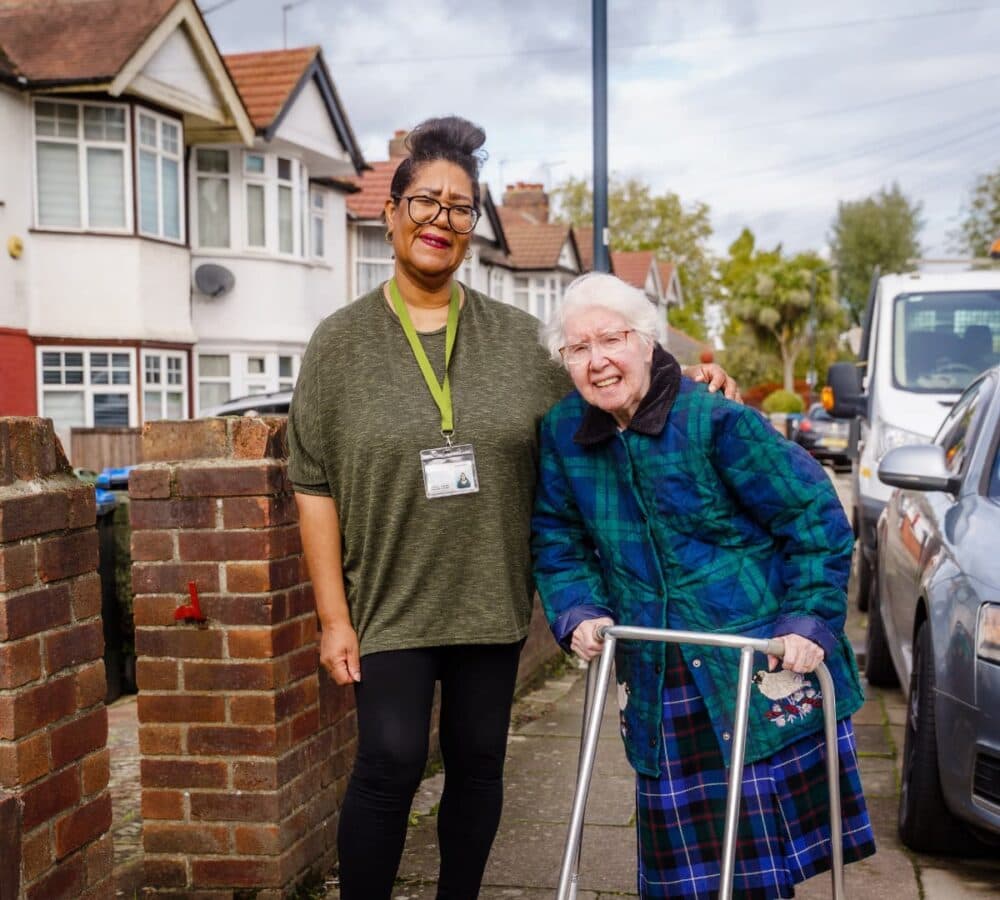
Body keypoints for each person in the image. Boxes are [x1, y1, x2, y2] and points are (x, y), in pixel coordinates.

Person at [287, 117, 739, 900]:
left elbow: (612, 388)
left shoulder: (522, 342)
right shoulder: (338, 343)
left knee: (477, 764)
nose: (442, 221)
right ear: (390, 212)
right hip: (389, 599)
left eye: (461, 209)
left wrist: (696, 390)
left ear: (473, 230)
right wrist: (334, 617)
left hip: (493, 600)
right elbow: (312, 483)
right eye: (426, 201)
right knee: (389, 760)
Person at [531, 272, 876, 899]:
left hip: (754, 667)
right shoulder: (562, 435)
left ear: (648, 342)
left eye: (612, 339)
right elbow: (559, 538)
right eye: (578, 349)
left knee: (760, 873)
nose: (598, 361)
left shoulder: (717, 422)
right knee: (685, 880)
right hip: (661, 674)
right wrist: (578, 609)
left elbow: (816, 519)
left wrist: (807, 622)